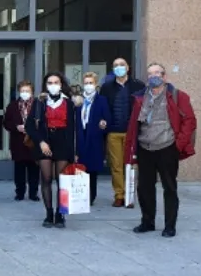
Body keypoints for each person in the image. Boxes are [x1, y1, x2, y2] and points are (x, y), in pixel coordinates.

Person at [124, 63, 196, 237]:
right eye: (149, 74)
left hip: (167, 148)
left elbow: (189, 121)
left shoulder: (178, 96)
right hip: (145, 148)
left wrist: (178, 145)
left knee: (169, 187)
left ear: (164, 77)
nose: (153, 76)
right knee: (145, 188)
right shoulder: (139, 97)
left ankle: (170, 226)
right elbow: (134, 125)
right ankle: (147, 222)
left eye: (157, 73)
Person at [25, 72, 76, 229]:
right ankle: (49, 213)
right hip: (45, 141)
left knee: (62, 180)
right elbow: (30, 126)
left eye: (56, 82)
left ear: (61, 85)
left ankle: (60, 215)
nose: (53, 85)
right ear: (46, 85)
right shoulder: (40, 102)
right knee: (46, 178)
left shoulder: (69, 103)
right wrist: (40, 142)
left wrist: (74, 150)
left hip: (63, 142)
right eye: (50, 82)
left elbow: (74, 128)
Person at [99, 57, 145, 207]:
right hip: (113, 132)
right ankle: (119, 195)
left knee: (131, 165)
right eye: (115, 65)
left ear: (128, 67)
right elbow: (102, 107)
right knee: (116, 165)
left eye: (121, 65)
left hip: (132, 132)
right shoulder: (106, 87)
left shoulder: (138, 86)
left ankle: (130, 196)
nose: (119, 67)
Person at [74, 72, 110, 206]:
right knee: (80, 168)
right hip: (80, 136)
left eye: (91, 83)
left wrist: (104, 123)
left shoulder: (102, 100)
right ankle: (80, 195)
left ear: (96, 84)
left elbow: (107, 118)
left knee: (92, 170)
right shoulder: (78, 100)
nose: (88, 86)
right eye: (86, 83)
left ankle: (91, 196)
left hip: (94, 138)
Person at [3, 81, 40, 201]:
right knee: (19, 169)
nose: (25, 93)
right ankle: (20, 192)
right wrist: (16, 127)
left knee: (34, 169)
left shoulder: (38, 105)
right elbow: (6, 123)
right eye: (22, 91)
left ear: (32, 92)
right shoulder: (13, 106)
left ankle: (33, 193)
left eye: (27, 91)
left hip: (33, 141)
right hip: (18, 142)